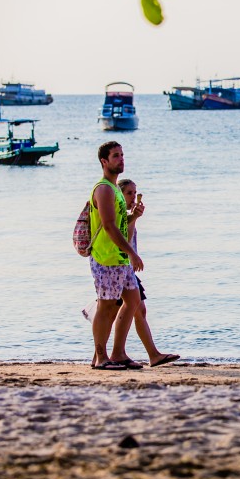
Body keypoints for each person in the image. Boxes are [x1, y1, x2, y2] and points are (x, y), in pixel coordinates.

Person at [88, 141, 144, 370]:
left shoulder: (115, 191)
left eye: (122, 155)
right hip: (106, 258)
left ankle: (118, 353)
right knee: (106, 306)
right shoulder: (103, 189)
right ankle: (101, 358)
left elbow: (120, 224)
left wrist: (134, 217)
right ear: (104, 162)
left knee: (133, 300)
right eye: (115, 156)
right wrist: (132, 252)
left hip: (119, 258)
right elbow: (109, 227)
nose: (121, 160)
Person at [117, 178, 180, 367]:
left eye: (135, 193)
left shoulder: (126, 214)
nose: (133, 197)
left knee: (139, 310)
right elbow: (125, 239)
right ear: (120, 194)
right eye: (129, 193)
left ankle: (153, 355)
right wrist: (134, 218)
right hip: (120, 267)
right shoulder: (121, 215)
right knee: (116, 311)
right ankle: (111, 354)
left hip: (125, 267)